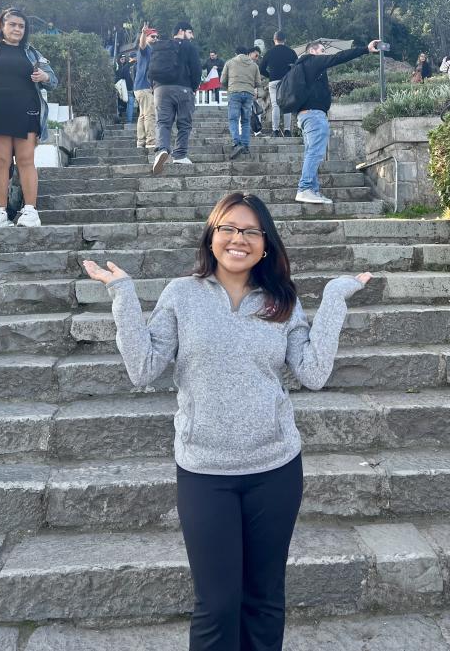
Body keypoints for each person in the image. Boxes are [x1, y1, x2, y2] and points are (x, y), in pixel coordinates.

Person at [83, 191, 372, 651]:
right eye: (229, 229)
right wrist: (122, 294)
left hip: (275, 469)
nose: (239, 239)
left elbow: (313, 374)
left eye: (251, 231)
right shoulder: (182, 294)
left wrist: (335, 299)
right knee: (216, 605)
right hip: (204, 472)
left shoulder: (281, 300)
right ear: (212, 236)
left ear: (266, 243)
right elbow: (144, 368)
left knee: (264, 600)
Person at [0, 8, 58, 227]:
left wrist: (44, 76)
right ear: (2, 26)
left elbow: (52, 80)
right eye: (12, 24)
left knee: (26, 161)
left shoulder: (32, 53)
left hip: (27, 111)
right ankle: (0, 213)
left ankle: (31, 212)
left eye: (21, 26)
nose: (17, 29)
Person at [294, 38, 379, 204]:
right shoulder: (312, 62)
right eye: (322, 51)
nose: (325, 55)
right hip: (314, 116)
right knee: (315, 153)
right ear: (312, 51)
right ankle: (304, 188)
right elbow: (339, 57)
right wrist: (365, 49)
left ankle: (313, 190)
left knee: (311, 153)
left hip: (305, 115)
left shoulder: (303, 67)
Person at [149, 19, 202, 174]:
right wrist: (193, 87)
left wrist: (155, 87)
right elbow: (196, 69)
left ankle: (162, 150)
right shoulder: (188, 46)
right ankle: (179, 155)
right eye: (190, 32)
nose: (191, 36)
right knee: (184, 123)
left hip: (160, 89)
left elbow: (149, 69)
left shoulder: (160, 46)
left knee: (163, 123)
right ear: (181, 31)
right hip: (183, 88)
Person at [221, 46, 262, 159]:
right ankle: (245, 145)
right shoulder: (254, 65)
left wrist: (229, 88)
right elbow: (258, 82)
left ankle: (237, 143)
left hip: (234, 92)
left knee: (233, 119)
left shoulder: (230, 63)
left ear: (236, 53)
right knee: (245, 120)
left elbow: (222, 80)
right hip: (248, 94)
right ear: (247, 53)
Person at [260, 31, 298, 137]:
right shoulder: (291, 52)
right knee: (287, 105)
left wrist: (270, 75)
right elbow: (297, 67)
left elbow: (261, 69)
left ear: (274, 40)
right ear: (285, 40)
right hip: (286, 81)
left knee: (275, 105)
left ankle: (275, 131)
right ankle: (287, 131)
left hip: (273, 82)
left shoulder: (269, 52)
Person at [134, 26, 159, 152]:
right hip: (144, 86)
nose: (155, 38)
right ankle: (150, 141)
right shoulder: (146, 49)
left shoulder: (151, 50)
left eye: (156, 36)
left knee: (143, 115)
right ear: (148, 36)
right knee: (149, 114)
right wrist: (143, 34)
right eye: (152, 36)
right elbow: (142, 45)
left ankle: (141, 141)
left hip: (140, 87)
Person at [115, 53, 135, 123]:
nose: (123, 60)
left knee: (129, 104)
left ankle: (128, 121)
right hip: (133, 87)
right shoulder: (137, 64)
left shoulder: (126, 66)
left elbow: (122, 76)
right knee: (130, 104)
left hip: (128, 88)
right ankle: (129, 120)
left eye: (124, 59)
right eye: (122, 59)